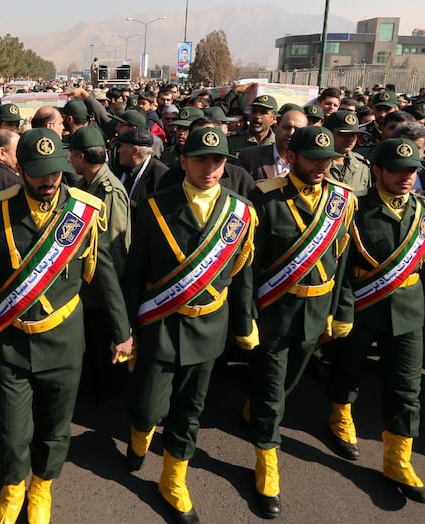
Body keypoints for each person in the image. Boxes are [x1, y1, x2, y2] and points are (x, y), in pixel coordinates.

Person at [0, 128, 133, 524]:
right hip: (13, 342)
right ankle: (13, 487)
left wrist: (121, 332)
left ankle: (42, 487)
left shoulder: (84, 210)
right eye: (39, 172)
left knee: (54, 428)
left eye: (56, 172)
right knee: (13, 432)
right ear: (20, 168)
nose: (50, 181)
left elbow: (104, 275)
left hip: (64, 341)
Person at [124, 127, 257, 523]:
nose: (210, 168)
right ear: (182, 161)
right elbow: (134, 274)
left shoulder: (240, 212)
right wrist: (128, 328)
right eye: (201, 159)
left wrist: (244, 321)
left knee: (189, 410)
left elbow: (243, 274)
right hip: (160, 324)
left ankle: (172, 479)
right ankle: (139, 434)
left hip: (209, 326)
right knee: (149, 406)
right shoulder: (152, 208)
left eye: (217, 161)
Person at [328, 138, 425, 504]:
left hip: (409, 312)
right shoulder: (356, 210)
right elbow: (343, 269)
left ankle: (398, 460)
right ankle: (339, 416)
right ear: (377, 170)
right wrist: (343, 311)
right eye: (397, 170)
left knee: (406, 387)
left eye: (412, 170)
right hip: (363, 308)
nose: (405, 177)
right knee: (348, 369)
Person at [247, 126, 356, 519]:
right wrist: (247, 315)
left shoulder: (342, 201)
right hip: (275, 310)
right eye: (313, 159)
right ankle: (267, 464)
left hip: (316, 312)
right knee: (274, 392)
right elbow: (249, 266)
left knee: (289, 381)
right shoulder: (266, 197)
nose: (321, 167)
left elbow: (342, 262)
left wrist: (340, 311)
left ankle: (255, 408)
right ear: (292, 157)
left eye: (327, 161)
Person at [68, 126, 131, 404]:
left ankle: (106, 395)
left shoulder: (109, 190)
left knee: (104, 342)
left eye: (71, 153)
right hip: (89, 284)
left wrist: (112, 294)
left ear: (80, 156)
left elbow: (114, 247)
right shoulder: (86, 184)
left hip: (103, 285)